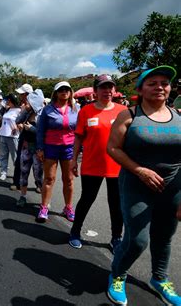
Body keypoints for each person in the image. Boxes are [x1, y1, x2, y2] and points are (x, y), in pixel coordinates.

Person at [106, 65, 181, 306]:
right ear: (140, 88)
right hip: (136, 184)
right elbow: (113, 148)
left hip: (173, 187)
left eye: (164, 82)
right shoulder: (129, 115)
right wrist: (140, 170)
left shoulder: (179, 116)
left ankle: (159, 278)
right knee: (137, 240)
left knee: (165, 235)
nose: (160, 86)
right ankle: (117, 273)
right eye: (152, 83)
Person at [68, 75, 126, 250]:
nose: (107, 91)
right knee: (87, 199)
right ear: (95, 91)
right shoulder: (86, 111)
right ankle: (75, 232)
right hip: (92, 164)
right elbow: (78, 137)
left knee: (116, 204)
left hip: (117, 165)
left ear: (114, 90)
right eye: (103, 87)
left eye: (110, 87)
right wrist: (73, 160)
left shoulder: (123, 111)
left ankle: (116, 238)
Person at [36, 81, 79, 223]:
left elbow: (80, 131)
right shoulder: (47, 109)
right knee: (49, 178)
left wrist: (79, 150)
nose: (64, 92)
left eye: (67, 89)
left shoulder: (75, 109)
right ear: (56, 92)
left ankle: (68, 207)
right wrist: (40, 148)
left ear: (70, 92)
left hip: (68, 148)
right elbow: (40, 130)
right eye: (61, 89)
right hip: (51, 147)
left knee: (68, 180)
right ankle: (44, 207)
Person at [16, 89, 44, 207]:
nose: (27, 102)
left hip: (38, 150)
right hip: (26, 147)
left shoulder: (43, 114)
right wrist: (25, 110)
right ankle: (23, 197)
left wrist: (31, 129)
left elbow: (45, 133)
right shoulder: (28, 112)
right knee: (24, 173)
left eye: (29, 101)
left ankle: (45, 201)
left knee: (38, 175)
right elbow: (17, 120)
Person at [12, 83, 34, 191]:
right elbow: (18, 120)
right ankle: (17, 183)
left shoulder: (38, 105)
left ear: (27, 94)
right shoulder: (23, 106)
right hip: (23, 136)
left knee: (37, 163)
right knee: (20, 160)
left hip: (35, 138)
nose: (20, 96)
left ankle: (39, 184)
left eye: (22, 94)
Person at [0, 94, 21, 181]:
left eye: (8, 100)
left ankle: (17, 175)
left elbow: (21, 122)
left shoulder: (19, 110)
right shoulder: (8, 109)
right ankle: (3, 172)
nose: (6, 101)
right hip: (3, 135)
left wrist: (17, 127)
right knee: (3, 155)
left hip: (13, 136)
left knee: (15, 156)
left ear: (11, 101)